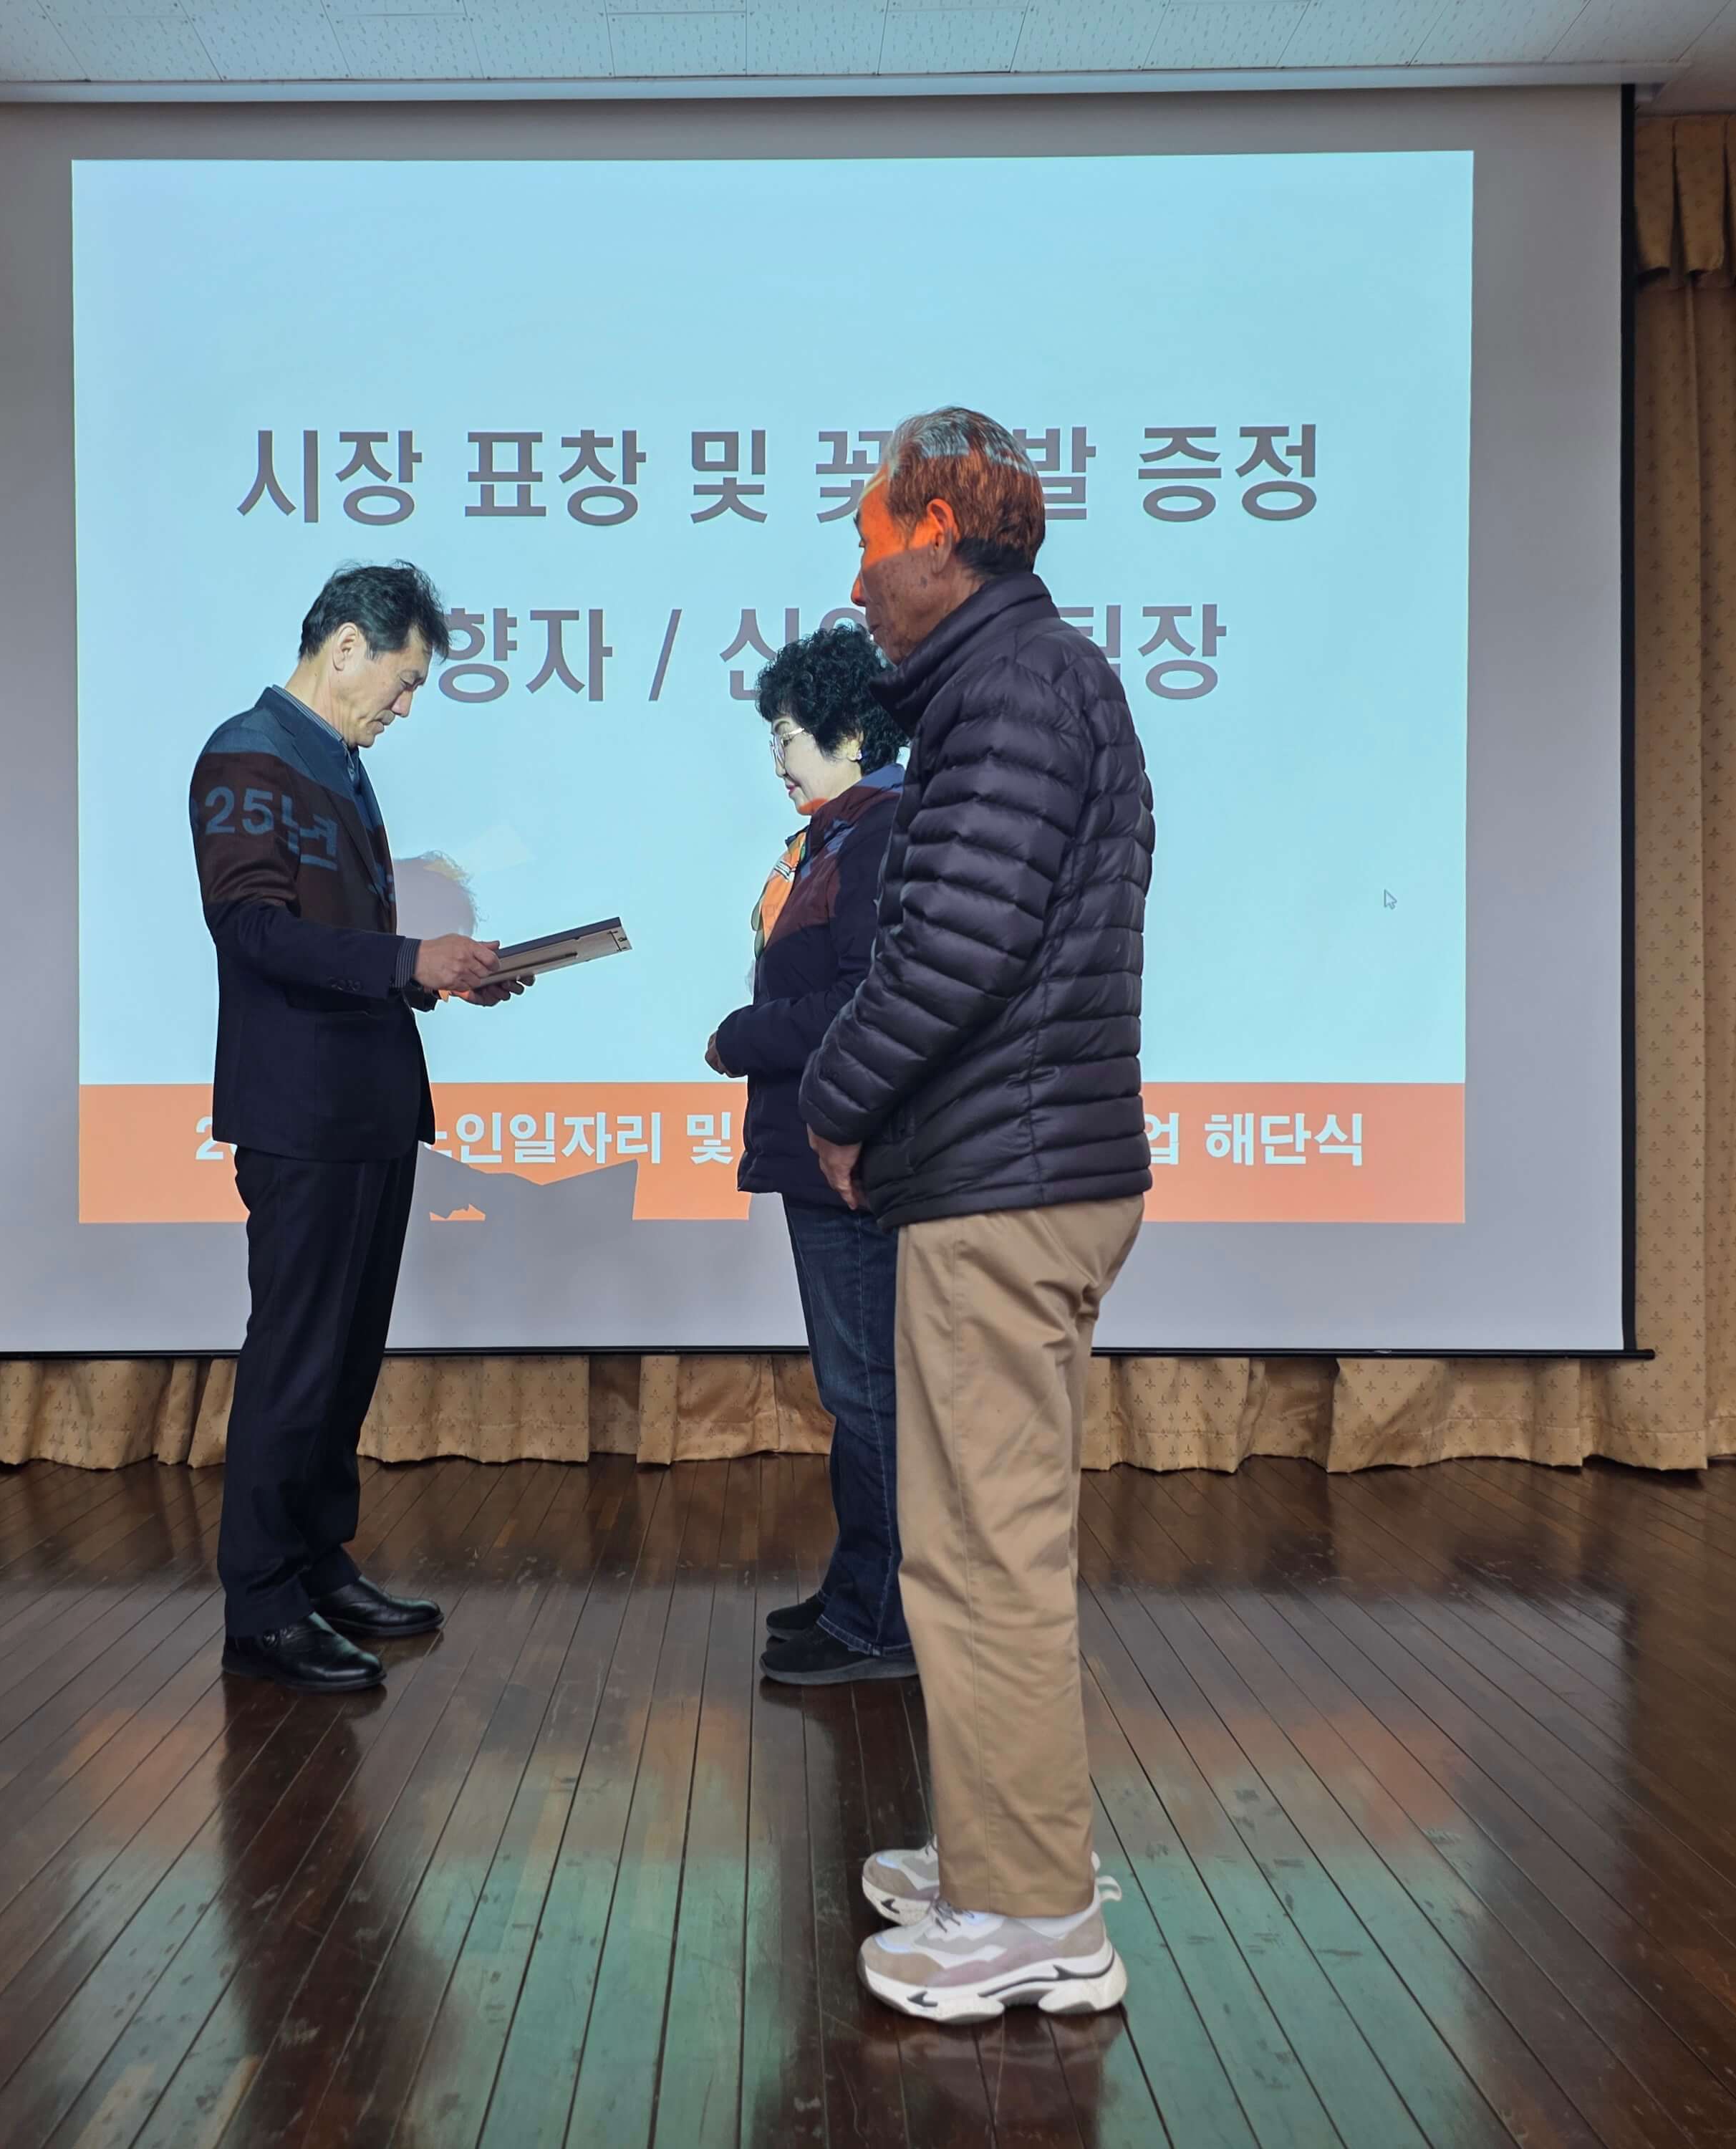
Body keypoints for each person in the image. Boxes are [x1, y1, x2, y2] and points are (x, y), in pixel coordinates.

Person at [799, 410, 1155, 2021]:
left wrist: (832, 1101)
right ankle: (1003, 1857)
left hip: (1003, 1187)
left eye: (870, 545)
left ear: (940, 534)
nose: (857, 582)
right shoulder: (1022, 681)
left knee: (984, 1559)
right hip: (1019, 1172)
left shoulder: (1013, 689)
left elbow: (952, 951)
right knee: (977, 1548)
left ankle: (1033, 1920)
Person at [191, 562, 528, 1696]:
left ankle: (317, 1566)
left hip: (367, 1104)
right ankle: (262, 1604)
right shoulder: (250, 756)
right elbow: (251, 929)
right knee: (296, 1359)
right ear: (345, 647)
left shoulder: (334, 760)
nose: (407, 704)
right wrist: (407, 958)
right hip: (302, 1112)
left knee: (342, 1362)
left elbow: (341, 941)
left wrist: (437, 975)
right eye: (404, 679)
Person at [705, 621, 914, 1687]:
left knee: (869, 1390)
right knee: (857, 1387)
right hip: (823, 1150)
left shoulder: (878, 832)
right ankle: (856, 1591)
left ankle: (883, 1622)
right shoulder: (835, 837)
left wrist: (739, 1037)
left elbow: (861, 999)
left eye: (788, 735)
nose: (778, 759)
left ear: (849, 734)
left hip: (851, 1156)